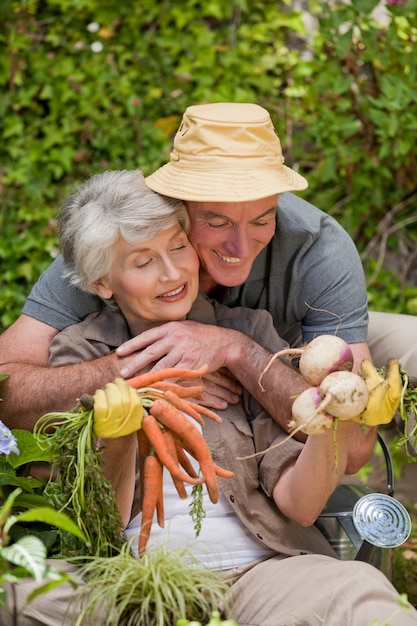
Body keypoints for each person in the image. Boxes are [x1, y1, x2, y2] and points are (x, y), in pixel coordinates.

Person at [1, 170, 414, 626]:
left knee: (361, 592)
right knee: (17, 594)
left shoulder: (251, 334)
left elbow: (300, 505)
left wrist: (330, 424)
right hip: (130, 579)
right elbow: (104, 525)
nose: (172, 272)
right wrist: (119, 433)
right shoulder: (78, 353)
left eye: (178, 248)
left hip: (259, 574)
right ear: (102, 282)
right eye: (143, 262)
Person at [0, 103, 408, 470]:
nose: (241, 246)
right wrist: (148, 371)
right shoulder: (121, 238)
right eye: (216, 223)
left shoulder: (319, 250)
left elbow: (352, 451)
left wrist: (234, 349)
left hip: (305, 347)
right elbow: (6, 389)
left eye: (263, 220)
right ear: (176, 204)